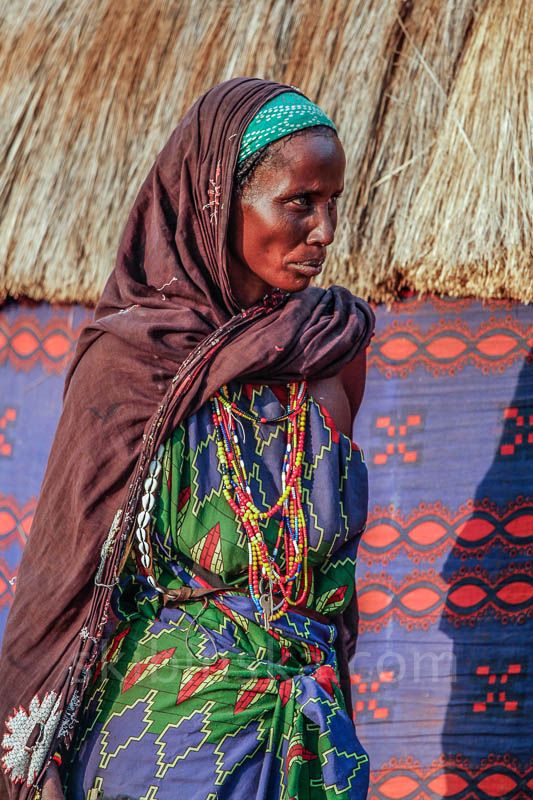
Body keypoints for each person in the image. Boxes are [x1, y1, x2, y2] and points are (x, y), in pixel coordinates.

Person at [0, 78, 375, 800]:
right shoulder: (131, 363)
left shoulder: (329, 347)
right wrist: (34, 760)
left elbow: (322, 588)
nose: (324, 231)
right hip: (168, 741)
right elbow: (65, 576)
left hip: (311, 743)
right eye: (299, 202)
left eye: (332, 203)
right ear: (214, 203)